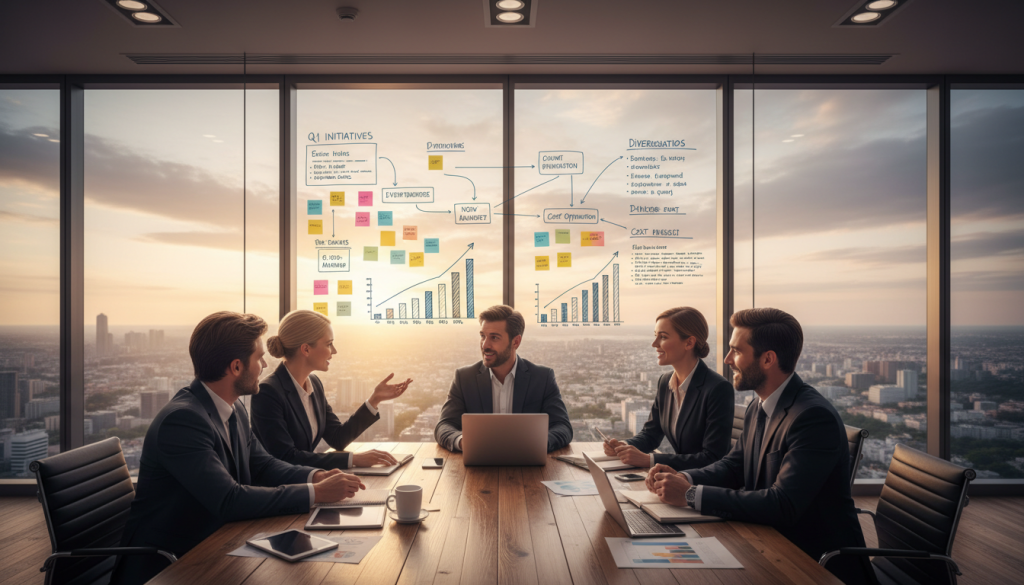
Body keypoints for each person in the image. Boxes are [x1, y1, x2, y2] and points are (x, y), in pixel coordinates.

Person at [113, 312, 365, 585]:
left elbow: (264, 464)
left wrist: (314, 477)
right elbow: (228, 500)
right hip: (170, 565)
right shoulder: (183, 421)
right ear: (236, 367)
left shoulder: (233, 409)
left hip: (218, 545)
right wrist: (315, 493)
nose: (265, 364)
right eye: (258, 358)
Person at [648, 308, 866, 584]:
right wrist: (684, 477)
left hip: (813, 565)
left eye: (736, 351)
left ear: (768, 359)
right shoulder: (758, 405)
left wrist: (690, 495)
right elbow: (734, 465)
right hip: (766, 543)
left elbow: (782, 503)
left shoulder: (812, 418)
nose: (727, 360)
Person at [251, 309, 413, 469]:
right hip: (281, 489)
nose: (334, 351)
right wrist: (352, 459)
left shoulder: (314, 384)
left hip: (305, 481)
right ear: (306, 349)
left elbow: (338, 438)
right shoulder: (268, 393)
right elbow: (286, 457)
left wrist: (374, 400)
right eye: (329, 344)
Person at [603, 307, 733, 471]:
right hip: (677, 477)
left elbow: (712, 457)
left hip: (704, 486)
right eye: (655, 336)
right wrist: (624, 446)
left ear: (689, 342)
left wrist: (650, 460)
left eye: (663, 337)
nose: (654, 344)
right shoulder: (665, 382)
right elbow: (651, 435)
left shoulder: (718, 389)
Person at [434, 304, 572, 452]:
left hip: (529, 468)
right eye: (483, 336)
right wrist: (462, 441)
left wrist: (538, 444)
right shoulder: (464, 378)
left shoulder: (542, 378)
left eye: (494, 337)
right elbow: (444, 425)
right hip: (477, 468)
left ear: (516, 342)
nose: (485, 345)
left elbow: (563, 426)